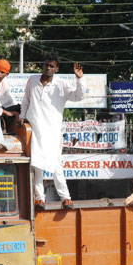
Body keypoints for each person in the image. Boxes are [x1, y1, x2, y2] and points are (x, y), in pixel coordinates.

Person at [19, 53, 85, 210]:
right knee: (36, 165)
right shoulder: (32, 80)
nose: (48, 68)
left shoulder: (61, 84)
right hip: (34, 129)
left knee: (56, 165)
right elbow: (26, 101)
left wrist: (79, 79)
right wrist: (22, 117)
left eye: (52, 66)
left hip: (52, 131)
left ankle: (66, 198)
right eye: (46, 65)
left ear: (57, 69)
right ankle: (39, 199)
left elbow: (78, 96)